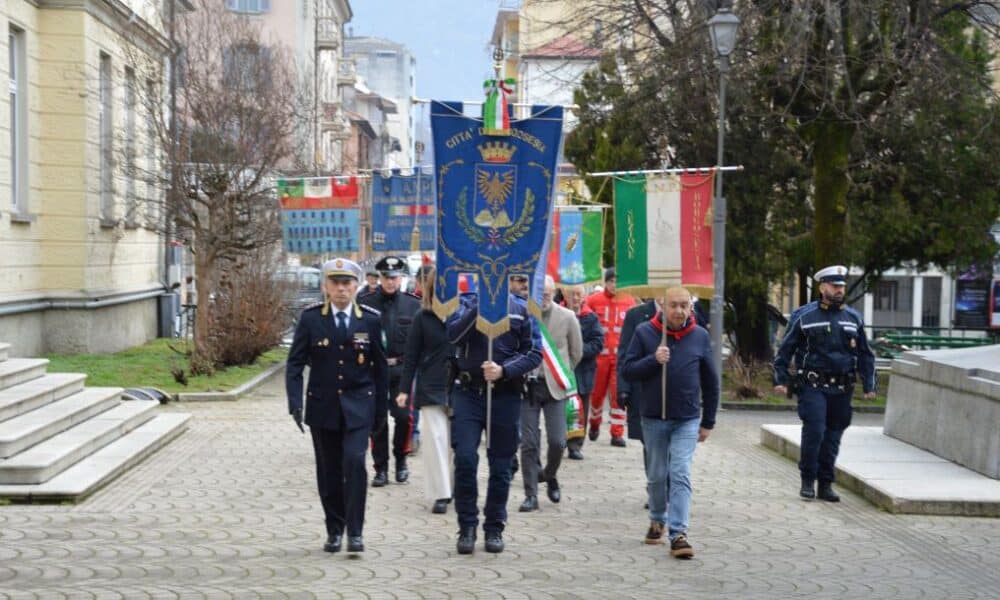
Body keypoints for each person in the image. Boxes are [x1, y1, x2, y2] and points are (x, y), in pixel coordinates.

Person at [285, 258, 388, 554]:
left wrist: (381, 411)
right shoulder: (311, 318)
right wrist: (294, 402)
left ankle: (355, 532)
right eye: (335, 283)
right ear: (326, 286)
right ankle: (334, 529)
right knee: (329, 471)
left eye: (347, 283)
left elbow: (380, 369)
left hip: (359, 408)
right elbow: (294, 364)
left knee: (355, 464)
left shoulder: (370, 319)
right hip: (323, 408)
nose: (341, 289)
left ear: (356, 286)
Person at [622, 286, 718, 559]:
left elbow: (711, 382)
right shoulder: (645, 333)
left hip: (686, 419)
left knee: (680, 473)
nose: (678, 311)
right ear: (662, 305)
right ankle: (656, 518)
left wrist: (708, 420)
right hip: (653, 418)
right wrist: (653, 360)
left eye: (684, 305)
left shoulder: (699, 336)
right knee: (656, 475)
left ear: (691, 307)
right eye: (673, 305)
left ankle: (678, 534)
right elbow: (628, 370)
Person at [448, 288, 542, 554]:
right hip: (469, 393)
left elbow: (534, 353)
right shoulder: (465, 303)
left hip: (505, 394)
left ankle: (494, 527)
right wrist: (479, 310)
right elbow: (452, 335)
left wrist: (504, 370)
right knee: (466, 458)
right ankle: (467, 525)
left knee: (501, 467)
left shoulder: (522, 309)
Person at [773, 265, 876, 502]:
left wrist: (869, 385)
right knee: (815, 432)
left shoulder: (853, 318)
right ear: (822, 288)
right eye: (834, 286)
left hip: (842, 388)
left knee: (833, 437)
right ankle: (808, 480)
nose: (839, 290)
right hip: (813, 386)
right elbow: (785, 351)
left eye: (841, 286)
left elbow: (865, 354)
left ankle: (826, 484)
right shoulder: (805, 316)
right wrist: (781, 380)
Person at [519, 276, 582, 512]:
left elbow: (576, 352)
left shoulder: (568, 317)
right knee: (528, 443)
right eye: (540, 292)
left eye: (547, 292)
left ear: (554, 292)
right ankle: (530, 494)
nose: (544, 296)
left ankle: (550, 474)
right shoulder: (524, 313)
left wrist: (561, 374)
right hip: (528, 388)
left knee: (558, 441)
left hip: (554, 387)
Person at [359, 256, 421, 487]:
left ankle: (401, 460)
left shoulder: (412, 305)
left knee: (404, 417)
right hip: (374, 369)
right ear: (379, 277)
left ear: (401, 278)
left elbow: (418, 341)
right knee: (377, 421)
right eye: (386, 277)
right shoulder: (365, 303)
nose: (390, 282)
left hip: (402, 370)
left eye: (394, 277)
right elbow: (359, 335)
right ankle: (381, 468)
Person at [396, 268, 454, 514]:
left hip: (460, 386)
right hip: (431, 386)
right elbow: (411, 356)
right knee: (437, 440)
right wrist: (403, 389)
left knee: (457, 443)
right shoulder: (422, 317)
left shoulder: (465, 315)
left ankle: (455, 486)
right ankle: (441, 493)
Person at [584, 268, 637, 447]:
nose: (614, 284)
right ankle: (594, 423)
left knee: (618, 396)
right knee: (596, 395)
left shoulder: (629, 301)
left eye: (617, 281)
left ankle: (617, 433)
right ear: (605, 282)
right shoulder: (592, 301)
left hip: (620, 359)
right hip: (599, 358)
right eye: (612, 281)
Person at [617, 296, 659, 469]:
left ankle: (670, 486)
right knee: (649, 442)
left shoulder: (685, 314)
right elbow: (624, 355)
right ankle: (656, 485)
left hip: (673, 395)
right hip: (642, 391)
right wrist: (623, 387)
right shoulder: (636, 315)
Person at [564, 284, 605, 460]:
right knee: (562, 408)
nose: (575, 298)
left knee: (581, 409)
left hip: (583, 371)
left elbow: (597, 343)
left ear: (583, 296)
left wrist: (578, 351)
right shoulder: (559, 314)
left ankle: (575, 445)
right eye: (572, 294)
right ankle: (561, 439)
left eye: (578, 294)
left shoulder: (591, 318)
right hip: (562, 369)